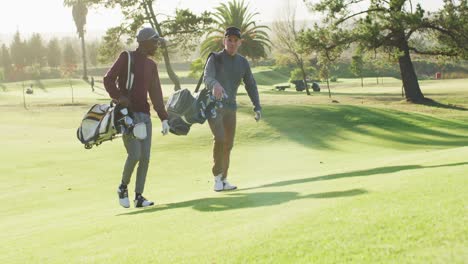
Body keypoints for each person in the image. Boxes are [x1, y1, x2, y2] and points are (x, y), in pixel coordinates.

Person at [103, 27, 170, 208]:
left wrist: (163, 118)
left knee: (145, 157)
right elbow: (108, 79)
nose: (156, 45)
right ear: (145, 42)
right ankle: (122, 187)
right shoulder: (127, 57)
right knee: (135, 154)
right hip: (127, 116)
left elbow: (156, 94)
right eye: (154, 42)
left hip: (144, 117)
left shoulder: (151, 66)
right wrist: (119, 97)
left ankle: (139, 196)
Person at [203, 26, 262, 192]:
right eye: (229, 40)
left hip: (231, 108)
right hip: (214, 107)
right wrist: (215, 84)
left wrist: (257, 106)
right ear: (224, 41)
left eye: (236, 41)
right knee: (220, 139)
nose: (232, 43)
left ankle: (224, 178)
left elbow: (251, 84)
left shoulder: (242, 62)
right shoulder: (215, 58)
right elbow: (208, 77)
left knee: (228, 144)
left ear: (240, 43)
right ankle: (216, 177)